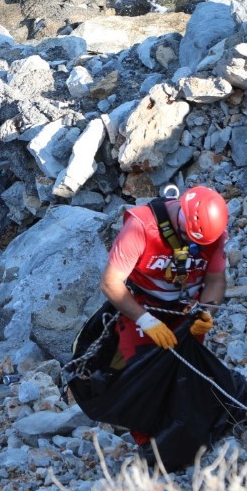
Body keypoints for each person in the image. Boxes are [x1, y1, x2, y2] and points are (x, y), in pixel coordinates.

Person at [99, 184, 230, 454]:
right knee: (140, 372)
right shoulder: (140, 228)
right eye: (188, 237)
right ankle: (149, 444)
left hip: (187, 310)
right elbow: (111, 283)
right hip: (141, 305)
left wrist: (207, 312)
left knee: (189, 371)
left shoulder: (212, 236)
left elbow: (216, 280)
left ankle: (189, 432)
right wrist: (145, 321)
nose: (193, 245)